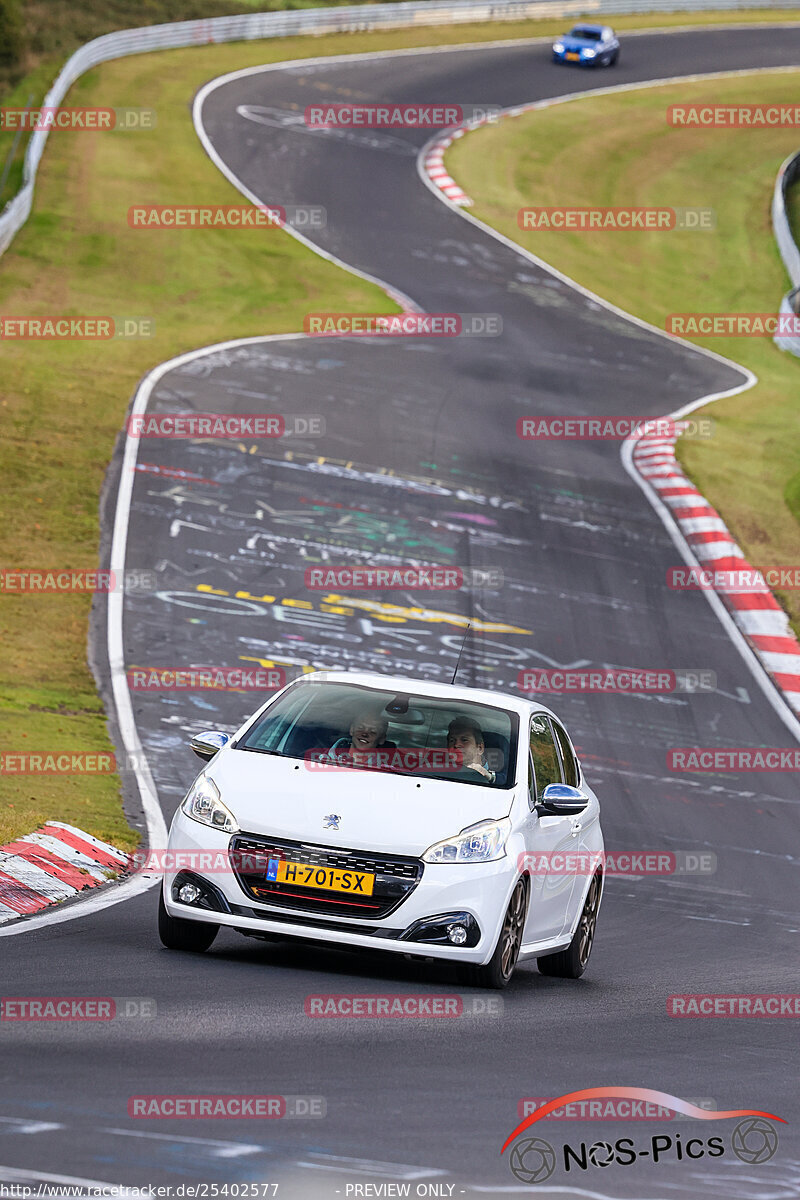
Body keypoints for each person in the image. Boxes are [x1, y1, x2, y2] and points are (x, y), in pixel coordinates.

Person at [328, 707, 394, 763]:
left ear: (381, 739)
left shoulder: (386, 771)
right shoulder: (321, 758)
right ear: (352, 730)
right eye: (360, 728)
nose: (364, 734)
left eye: (373, 731)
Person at [446, 715, 496, 783]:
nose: (456, 745)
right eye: (452, 740)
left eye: (464, 740)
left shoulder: (504, 779)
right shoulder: (436, 770)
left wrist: (489, 777)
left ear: (480, 748)